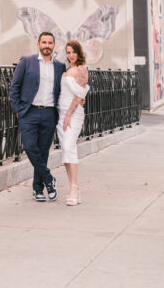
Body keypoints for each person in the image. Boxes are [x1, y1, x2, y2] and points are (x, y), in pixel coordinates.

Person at [10, 32, 65, 202]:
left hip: (49, 113)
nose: (47, 45)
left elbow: (70, 84)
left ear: (54, 45)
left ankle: (38, 189)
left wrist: (84, 93)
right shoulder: (27, 61)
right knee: (29, 147)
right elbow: (15, 86)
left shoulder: (60, 66)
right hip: (29, 112)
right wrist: (17, 108)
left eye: (50, 42)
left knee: (43, 152)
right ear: (38, 44)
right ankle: (49, 179)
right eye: (44, 42)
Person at [56, 40, 89, 206]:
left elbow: (81, 94)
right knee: (65, 151)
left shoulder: (82, 69)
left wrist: (69, 113)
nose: (70, 55)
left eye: (73, 52)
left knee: (70, 146)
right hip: (61, 113)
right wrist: (63, 114)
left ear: (79, 52)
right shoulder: (67, 70)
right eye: (68, 52)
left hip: (73, 114)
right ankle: (73, 186)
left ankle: (74, 187)